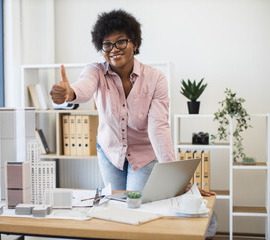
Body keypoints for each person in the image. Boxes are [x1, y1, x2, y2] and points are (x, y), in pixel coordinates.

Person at [50, 9, 215, 196]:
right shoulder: (95, 71)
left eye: (120, 41)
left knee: (136, 204)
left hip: (144, 154)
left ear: (134, 43)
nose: (114, 49)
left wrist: (177, 179)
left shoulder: (155, 79)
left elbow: (158, 128)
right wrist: (68, 93)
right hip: (110, 151)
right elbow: (84, 89)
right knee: (116, 202)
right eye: (107, 44)